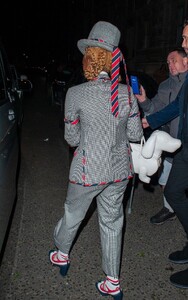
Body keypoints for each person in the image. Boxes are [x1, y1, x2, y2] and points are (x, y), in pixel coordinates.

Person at [49, 21, 143, 299]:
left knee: (72, 214)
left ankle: (61, 253)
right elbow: (136, 134)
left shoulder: (75, 94)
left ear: (90, 56)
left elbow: (73, 139)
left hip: (88, 171)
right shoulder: (127, 93)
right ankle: (112, 281)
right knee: (112, 223)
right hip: (118, 172)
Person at [142, 20, 188, 289]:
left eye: (185, 38)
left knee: (173, 192)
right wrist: (150, 120)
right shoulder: (177, 85)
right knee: (172, 193)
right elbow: (177, 108)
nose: (183, 43)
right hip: (183, 146)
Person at [135, 48, 187, 225]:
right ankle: (170, 208)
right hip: (170, 144)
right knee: (165, 180)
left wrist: (152, 120)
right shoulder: (165, 86)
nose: (170, 64)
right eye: (168, 62)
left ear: (185, 60)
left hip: (186, 144)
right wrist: (143, 100)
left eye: (173, 60)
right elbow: (153, 109)